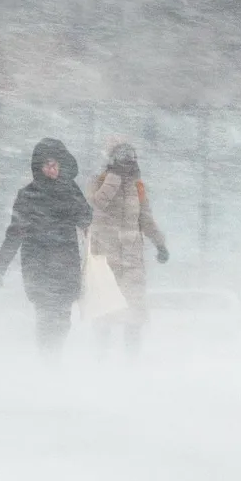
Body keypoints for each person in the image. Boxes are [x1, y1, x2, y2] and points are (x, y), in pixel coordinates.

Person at [0, 138, 93, 356]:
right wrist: (2, 262)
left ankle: (52, 356)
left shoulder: (69, 191)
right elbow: (15, 232)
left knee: (63, 318)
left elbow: (86, 218)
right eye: (48, 164)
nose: (52, 169)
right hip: (38, 266)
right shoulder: (28, 195)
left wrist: (72, 193)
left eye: (56, 164)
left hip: (66, 264)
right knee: (46, 316)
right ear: (39, 167)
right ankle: (47, 360)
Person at [87, 141, 169, 357]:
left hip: (132, 260)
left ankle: (132, 361)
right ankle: (101, 359)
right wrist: (114, 178)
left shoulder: (137, 186)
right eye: (123, 158)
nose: (128, 163)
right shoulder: (100, 181)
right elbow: (97, 205)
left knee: (135, 312)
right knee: (105, 312)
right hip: (106, 257)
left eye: (130, 158)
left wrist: (159, 243)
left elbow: (146, 218)